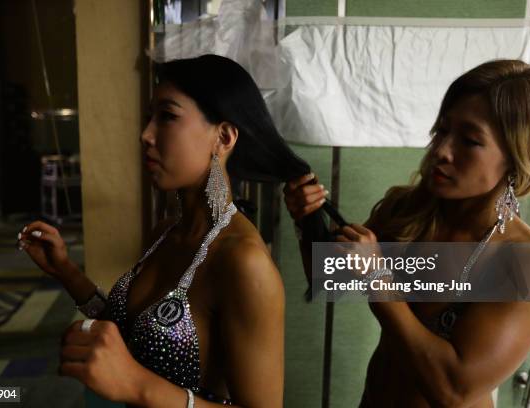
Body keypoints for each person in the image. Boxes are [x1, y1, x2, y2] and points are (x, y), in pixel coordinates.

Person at [17, 54, 327, 408]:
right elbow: (138, 334)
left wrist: (137, 386)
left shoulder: (243, 262)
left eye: (167, 116)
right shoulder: (166, 232)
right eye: (150, 117)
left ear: (223, 137)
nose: (146, 134)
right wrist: (65, 270)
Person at [283, 59, 530, 407]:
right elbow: (330, 277)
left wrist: (379, 281)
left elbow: (452, 390)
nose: (442, 151)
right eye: (442, 131)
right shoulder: (408, 211)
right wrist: (308, 219)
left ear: (518, 156)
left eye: (470, 141)